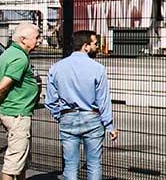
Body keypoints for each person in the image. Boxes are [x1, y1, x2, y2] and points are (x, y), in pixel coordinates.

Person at [44, 31, 118, 180]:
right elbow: (103, 100)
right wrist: (109, 125)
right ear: (85, 46)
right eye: (95, 44)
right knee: (94, 163)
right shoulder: (98, 69)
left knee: (70, 165)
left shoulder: (57, 67)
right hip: (92, 118)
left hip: (67, 117)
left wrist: (61, 115)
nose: (97, 47)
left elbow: (50, 100)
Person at [0, 22, 41, 180]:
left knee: (21, 160)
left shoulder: (7, 54)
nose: (39, 41)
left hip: (13, 111)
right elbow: (2, 86)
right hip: (17, 114)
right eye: (36, 38)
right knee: (14, 162)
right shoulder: (19, 59)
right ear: (23, 39)